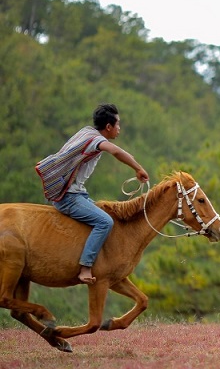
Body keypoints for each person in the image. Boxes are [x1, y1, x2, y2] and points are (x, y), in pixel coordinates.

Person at [35, 103, 149, 284]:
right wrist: (138, 168)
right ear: (109, 127)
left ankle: (104, 264)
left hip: (78, 194)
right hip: (69, 197)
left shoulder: (86, 132)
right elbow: (116, 151)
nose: (119, 128)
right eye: (118, 124)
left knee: (105, 215)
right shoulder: (97, 141)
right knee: (105, 222)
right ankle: (86, 267)